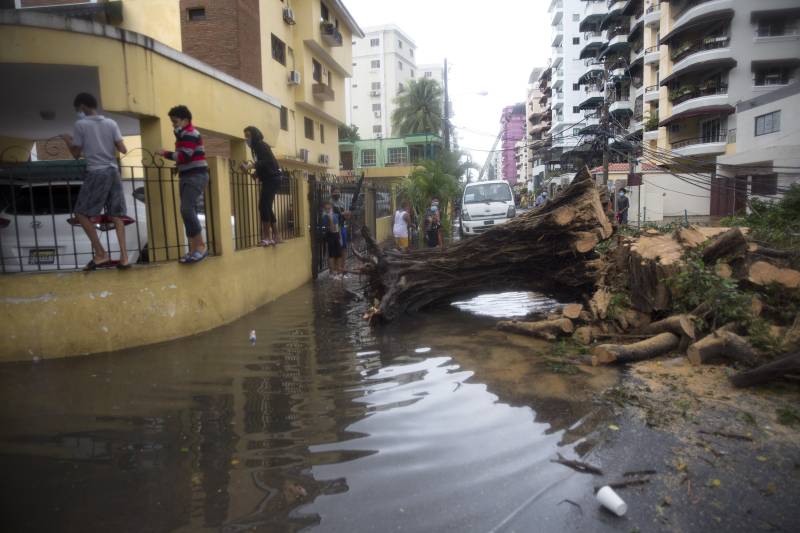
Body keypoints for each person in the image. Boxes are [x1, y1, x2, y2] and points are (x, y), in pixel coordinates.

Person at [61, 92, 131, 271]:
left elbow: (76, 154)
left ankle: (101, 253)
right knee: (116, 215)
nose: (78, 112)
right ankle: (124, 258)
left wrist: (68, 140)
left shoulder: (81, 125)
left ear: (83, 106)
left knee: (80, 213)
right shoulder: (111, 123)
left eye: (78, 109)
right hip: (113, 172)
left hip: (96, 173)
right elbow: (123, 149)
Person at [157, 105, 209, 264]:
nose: (173, 125)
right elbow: (185, 158)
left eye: (175, 121)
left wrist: (165, 153)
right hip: (188, 175)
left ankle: (200, 246)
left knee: (186, 209)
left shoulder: (190, 133)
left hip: (195, 176)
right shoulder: (183, 135)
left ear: (185, 120)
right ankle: (193, 249)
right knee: (187, 210)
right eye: (172, 122)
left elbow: (185, 156)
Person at [241, 126, 281, 246]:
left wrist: (251, 166)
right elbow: (265, 164)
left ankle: (267, 237)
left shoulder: (261, 146)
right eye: (245, 136)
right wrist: (256, 174)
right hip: (272, 178)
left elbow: (267, 161)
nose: (246, 139)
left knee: (263, 206)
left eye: (248, 136)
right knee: (267, 206)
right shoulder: (257, 148)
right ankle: (276, 236)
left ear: (254, 135)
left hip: (272, 179)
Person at [321, 199, 343, 278]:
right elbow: (332, 229)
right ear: (324, 209)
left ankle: (339, 271)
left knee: (339, 255)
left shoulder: (335, 215)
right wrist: (330, 219)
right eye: (326, 209)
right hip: (330, 236)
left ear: (332, 208)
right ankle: (332, 272)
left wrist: (340, 238)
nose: (328, 210)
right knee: (331, 255)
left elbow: (338, 227)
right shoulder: (324, 217)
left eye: (329, 208)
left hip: (336, 235)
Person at [331, 187, 350, 275]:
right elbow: (331, 215)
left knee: (344, 248)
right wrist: (342, 213)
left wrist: (347, 215)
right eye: (335, 192)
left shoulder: (342, 203)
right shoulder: (330, 203)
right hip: (334, 228)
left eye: (338, 192)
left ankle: (343, 266)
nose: (337, 194)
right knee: (336, 249)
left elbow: (345, 217)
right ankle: (335, 269)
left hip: (342, 227)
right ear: (332, 193)